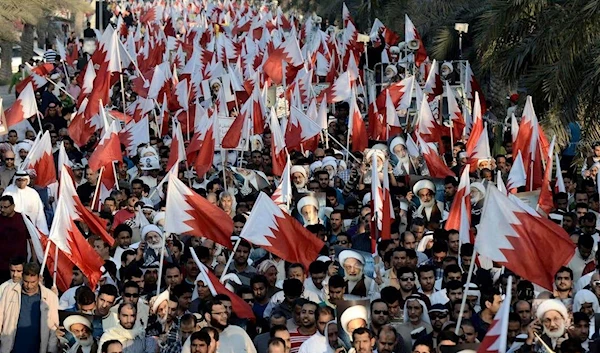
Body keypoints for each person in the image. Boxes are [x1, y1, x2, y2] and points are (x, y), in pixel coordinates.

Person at [0, 262, 59, 353]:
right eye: (26, 281)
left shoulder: (50, 297)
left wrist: (51, 349)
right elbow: (0, 316)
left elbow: (53, 326)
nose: (29, 285)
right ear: (22, 277)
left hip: (37, 347)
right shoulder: (9, 291)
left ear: (39, 278)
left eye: (33, 282)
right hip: (11, 347)